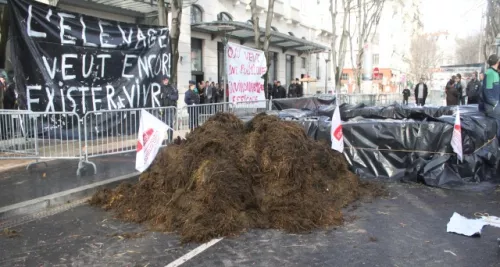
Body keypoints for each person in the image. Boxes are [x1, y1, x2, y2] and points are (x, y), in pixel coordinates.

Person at [480, 54, 500, 137]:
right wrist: (495, 104)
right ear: (497, 62)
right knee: (496, 129)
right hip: (493, 108)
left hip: (495, 106)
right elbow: (487, 92)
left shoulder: (495, 73)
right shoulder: (490, 73)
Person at [160, 76, 178, 142]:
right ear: (163, 80)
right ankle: (168, 138)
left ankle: (170, 138)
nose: (166, 81)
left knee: (170, 123)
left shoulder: (172, 87)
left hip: (170, 108)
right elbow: (160, 99)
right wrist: (161, 108)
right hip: (164, 109)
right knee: (166, 124)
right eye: (164, 80)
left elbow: (176, 97)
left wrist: (169, 96)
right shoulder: (161, 88)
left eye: (167, 80)